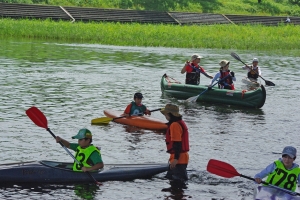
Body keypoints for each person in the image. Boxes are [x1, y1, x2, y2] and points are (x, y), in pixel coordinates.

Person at [160, 104, 189, 188]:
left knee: (177, 185)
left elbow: (177, 143)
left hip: (179, 159)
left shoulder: (175, 125)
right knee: (170, 179)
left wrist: (176, 159)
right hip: (180, 157)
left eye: (165, 114)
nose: (165, 116)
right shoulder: (178, 123)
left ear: (170, 114)